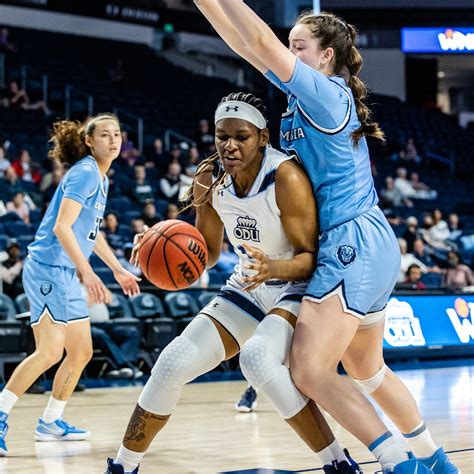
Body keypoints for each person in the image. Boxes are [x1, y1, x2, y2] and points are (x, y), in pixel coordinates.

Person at [194, 4, 457, 473]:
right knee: (366, 370)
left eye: (298, 46)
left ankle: (401, 465)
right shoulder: (303, 97)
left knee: (310, 370)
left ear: (326, 56)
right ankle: (434, 461)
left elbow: (259, 43)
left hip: (348, 242)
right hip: (368, 241)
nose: (287, 52)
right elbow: (244, 46)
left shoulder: (326, 93)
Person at [106, 93, 360, 474]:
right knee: (171, 363)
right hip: (247, 285)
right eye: (222, 136)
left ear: (262, 136)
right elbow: (205, 252)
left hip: (295, 285)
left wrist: (272, 267)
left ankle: (339, 464)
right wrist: (157, 243)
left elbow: (310, 258)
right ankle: (124, 466)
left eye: (241, 136)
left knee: (256, 359)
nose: (230, 144)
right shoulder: (208, 178)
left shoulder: (284, 177)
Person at [0, 113, 141, 457]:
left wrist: (118, 269)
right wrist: (88, 273)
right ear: (89, 141)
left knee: (81, 352)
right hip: (48, 268)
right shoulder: (85, 173)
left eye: (117, 134)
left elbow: (91, 234)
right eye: (105, 135)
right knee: (49, 351)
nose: (113, 140)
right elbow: (63, 228)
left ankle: (51, 421)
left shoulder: (101, 179)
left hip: (65, 272)